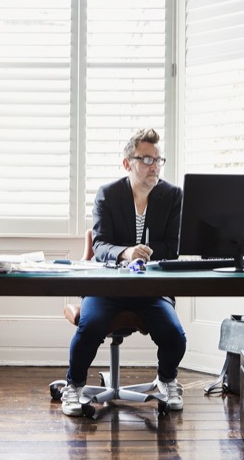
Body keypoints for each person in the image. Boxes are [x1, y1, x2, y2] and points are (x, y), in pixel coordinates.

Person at [61, 128, 187, 416]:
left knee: (174, 335)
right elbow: (101, 244)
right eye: (145, 159)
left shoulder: (172, 196)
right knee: (90, 327)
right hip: (108, 288)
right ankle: (74, 386)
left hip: (151, 289)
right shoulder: (109, 194)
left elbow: (173, 246)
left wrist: (146, 252)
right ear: (127, 163)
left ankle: (167, 380)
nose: (153, 165)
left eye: (157, 159)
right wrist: (126, 252)